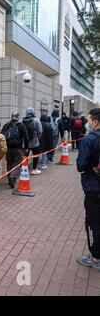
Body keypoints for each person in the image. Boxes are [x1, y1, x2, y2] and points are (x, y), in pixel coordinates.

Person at [76, 108, 100, 270]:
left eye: (89, 119)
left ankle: (95, 257)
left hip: (93, 186)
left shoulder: (89, 140)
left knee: (92, 222)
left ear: (95, 122)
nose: (87, 122)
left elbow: (81, 165)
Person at [1, 112, 29, 189]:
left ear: (11, 116)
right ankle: (13, 176)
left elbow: (2, 136)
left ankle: (10, 177)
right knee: (18, 164)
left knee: (9, 163)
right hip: (18, 148)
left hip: (8, 149)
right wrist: (26, 147)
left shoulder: (6, 125)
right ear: (18, 117)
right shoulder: (21, 125)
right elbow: (26, 137)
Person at [22, 107, 43, 174]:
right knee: (36, 156)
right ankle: (34, 169)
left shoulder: (22, 121)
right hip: (35, 142)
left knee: (25, 157)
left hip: (25, 143)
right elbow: (40, 131)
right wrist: (38, 138)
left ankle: (24, 170)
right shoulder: (36, 120)